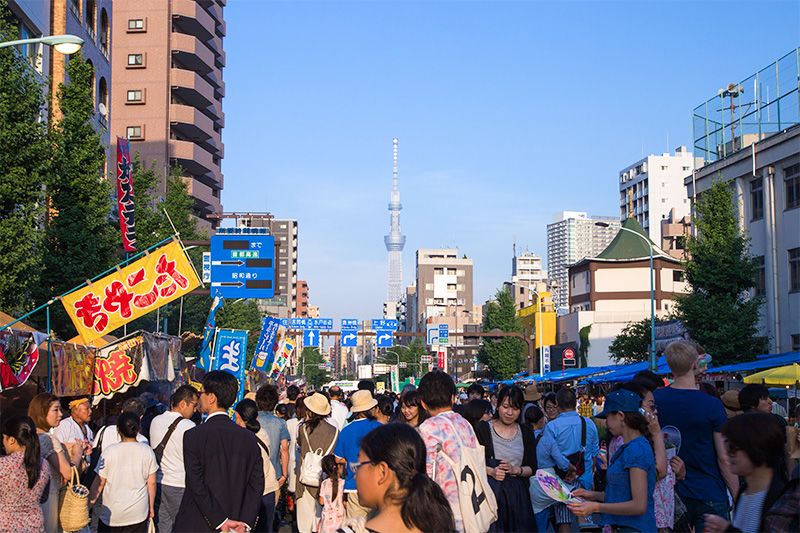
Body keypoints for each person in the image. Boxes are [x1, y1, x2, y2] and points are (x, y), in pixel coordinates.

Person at [653, 340, 738, 532]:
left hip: (669, 493)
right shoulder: (711, 404)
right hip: (709, 489)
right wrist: (737, 494)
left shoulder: (656, 399)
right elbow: (724, 458)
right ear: (694, 364)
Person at [174, 371, 265, 532]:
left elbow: (196, 483)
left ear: (211, 398)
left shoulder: (193, 436)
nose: (199, 397)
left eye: (201, 392)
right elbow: (256, 484)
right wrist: (245, 522)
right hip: (237, 522)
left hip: (199, 521)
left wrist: (220, 520)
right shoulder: (249, 439)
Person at [568, 388, 657, 532]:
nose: (606, 423)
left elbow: (639, 505)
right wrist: (590, 495)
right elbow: (621, 495)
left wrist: (596, 507)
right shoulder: (631, 447)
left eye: (608, 417)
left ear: (620, 416)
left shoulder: (636, 449)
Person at [340, 423, 455, 533]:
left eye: (359, 465)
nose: (355, 476)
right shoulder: (440, 525)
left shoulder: (353, 530)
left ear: (382, 472)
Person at [417, 370, 483, 532]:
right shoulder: (464, 423)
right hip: (473, 508)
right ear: (453, 398)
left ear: (422, 403)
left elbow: (427, 475)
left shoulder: (427, 428)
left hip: (445, 514)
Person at [703, 412, 789, 533]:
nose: (727, 453)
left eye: (732, 447)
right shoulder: (744, 491)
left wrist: (727, 529)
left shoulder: (780, 499)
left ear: (756, 448)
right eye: (726, 446)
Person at [533, 386, 599, 532]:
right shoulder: (589, 423)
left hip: (562, 480)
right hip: (585, 477)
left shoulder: (552, 427)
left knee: (564, 520)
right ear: (575, 403)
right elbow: (594, 454)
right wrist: (589, 473)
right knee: (585, 517)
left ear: (557, 403)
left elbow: (549, 454)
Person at [475, 386, 536, 532]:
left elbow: (532, 467)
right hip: (492, 495)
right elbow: (473, 462)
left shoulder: (526, 431)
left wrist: (516, 470)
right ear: (497, 405)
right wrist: (491, 471)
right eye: (505, 406)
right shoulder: (483, 429)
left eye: (515, 408)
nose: (509, 413)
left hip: (518, 499)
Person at [89, 412, 158, 532]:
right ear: (138, 428)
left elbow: (99, 484)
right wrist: (151, 507)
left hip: (112, 514)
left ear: (118, 430)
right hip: (138, 513)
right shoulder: (147, 451)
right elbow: (151, 483)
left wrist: (88, 505)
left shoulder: (109, 452)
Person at [149, 385, 198, 533]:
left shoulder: (155, 421)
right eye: (194, 405)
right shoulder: (189, 426)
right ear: (183, 404)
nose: (195, 410)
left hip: (159, 482)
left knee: (163, 525)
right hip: (179, 483)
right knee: (183, 525)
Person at [28, 392, 72, 531]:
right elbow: (68, 473)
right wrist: (78, 454)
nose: (60, 414)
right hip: (49, 499)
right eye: (55, 410)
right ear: (42, 412)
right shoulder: (49, 440)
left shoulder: (30, 437)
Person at [333, 389, 380, 520]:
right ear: (372, 408)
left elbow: (338, 459)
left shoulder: (346, 430)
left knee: (355, 525)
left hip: (354, 486)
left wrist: (351, 460)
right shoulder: (381, 428)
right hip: (378, 485)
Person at [235, 399, 280, 533]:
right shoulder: (262, 433)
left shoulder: (240, 439)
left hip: (250, 492)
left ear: (239, 417)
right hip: (269, 487)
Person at [0, 415, 50, 533]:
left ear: (11, 440)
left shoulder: (3, 465)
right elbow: (44, 497)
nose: (3, 443)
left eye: (4, 438)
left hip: (5, 526)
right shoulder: (44, 464)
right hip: (34, 526)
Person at [297, 392, 338, 533]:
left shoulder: (303, 428)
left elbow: (300, 445)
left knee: (304, 522)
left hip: (304, 479)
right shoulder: (334, 431)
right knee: (321, 519)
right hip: (324, 480)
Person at [256, 384, 290, 490]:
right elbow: (284, 449)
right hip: (275, 473)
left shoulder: (252, 420)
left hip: (254, 472)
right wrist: (284, 474)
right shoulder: (281, 423)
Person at [53, 397, 94, 481]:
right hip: (67, 476)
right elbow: (57, 449)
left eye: (90, 408)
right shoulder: (64, 425)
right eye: (87, 409)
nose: (90, 411)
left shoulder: (88, 429)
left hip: (82, 475)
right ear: (75, 410)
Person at [317, 455, 345, 533]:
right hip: (340, 520)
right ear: (338, 466)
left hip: (327, 521)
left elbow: (321, 502)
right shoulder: (343, 483)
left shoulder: (324, 483)